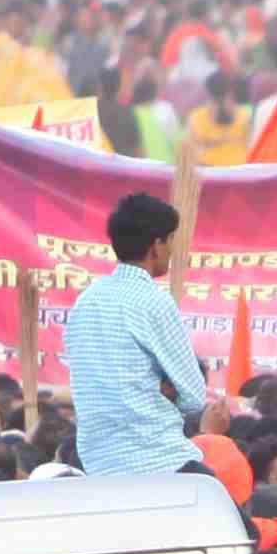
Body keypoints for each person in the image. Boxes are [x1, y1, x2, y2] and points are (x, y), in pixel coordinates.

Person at [60, 193, 221, 488]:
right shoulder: (153, 302)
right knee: (234, 516)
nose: (172, 250)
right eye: (171, 241)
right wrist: (159, 391)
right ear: (156, 245)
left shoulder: (85, 301)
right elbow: (194, 396)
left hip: (99, 465)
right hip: (159, 458)